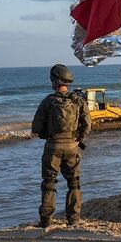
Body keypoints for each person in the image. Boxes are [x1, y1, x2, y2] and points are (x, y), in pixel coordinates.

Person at [31, 64, 91, 228]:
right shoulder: (78, 100)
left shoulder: (48, 101)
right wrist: (79, 138)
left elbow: (36, 127)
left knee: (49, 182)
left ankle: (45, 220)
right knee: (74, 182)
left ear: (54, 81)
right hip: (72, 147)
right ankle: (73, 219)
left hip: (52, 147)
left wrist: (48, 136)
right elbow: (87, 125)